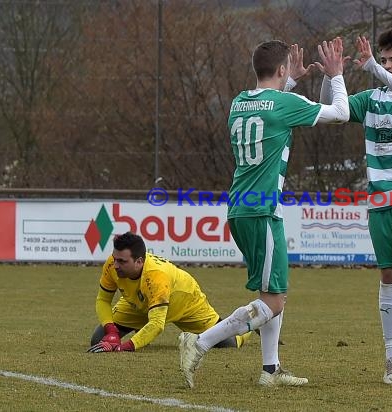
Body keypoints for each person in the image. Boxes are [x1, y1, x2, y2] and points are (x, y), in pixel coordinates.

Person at [178, 38, 349, 388]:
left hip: (241, 207)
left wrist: (292, 81)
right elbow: (341, 113)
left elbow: (268, 109)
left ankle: (270, 371)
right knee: (274, 299)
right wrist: (335, 75)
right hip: (262, 210)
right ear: (282, 69)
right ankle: (200, 341)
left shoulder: (238, 104)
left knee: (271, 292)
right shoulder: (283, 103)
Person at [321, 27, 392, 384]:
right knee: (388, 275)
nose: (388, 65)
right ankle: (391, 357)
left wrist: (374, 67)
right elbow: (334, 110)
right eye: (384, 59)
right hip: (379, 199)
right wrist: (332, 76)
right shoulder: (371, 99)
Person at [87, 232, 251, 353]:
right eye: (115, 259)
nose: (115, 265)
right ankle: (141, 332)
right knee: (98, 339)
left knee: (226, 342)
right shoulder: (111, 265)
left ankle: (249, 326)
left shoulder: (157, 276)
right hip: (140, 303)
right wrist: (111, 331)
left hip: (184, 301)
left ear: (139, 261)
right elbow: (103, 300)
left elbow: (157, 324)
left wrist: (126, 346)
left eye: (122, 261)